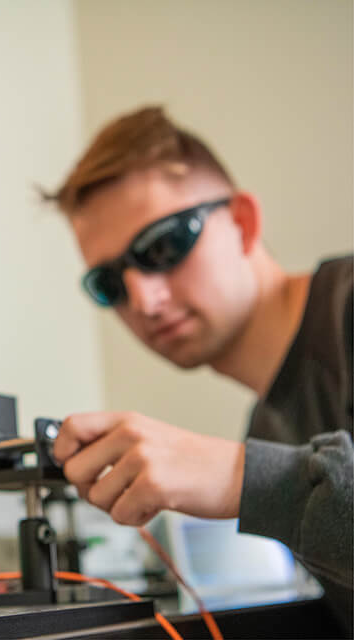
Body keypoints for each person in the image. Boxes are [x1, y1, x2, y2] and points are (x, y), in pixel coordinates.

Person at [44, 106, 352, 630]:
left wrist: (239, 476)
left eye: (162, 247)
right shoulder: (265, 427)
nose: (143, 300)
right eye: (110, 284)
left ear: (242, 222)